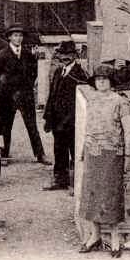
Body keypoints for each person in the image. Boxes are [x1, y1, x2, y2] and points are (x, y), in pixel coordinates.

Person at [78, 64, 130, 257]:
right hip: (93, 152)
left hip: (112, 154)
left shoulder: (120, 101)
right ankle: (95, 235)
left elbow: (129, 130)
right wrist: (84, 149)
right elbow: (88, 126)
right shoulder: (91, 100)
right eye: (98, 79)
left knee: (111, 195)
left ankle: (115, 239)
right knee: (91, 193)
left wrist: (127, 155)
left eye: (105, 79)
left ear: (111, 82)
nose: (101, 82)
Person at [0, 25, 48, 164]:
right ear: (9, 37)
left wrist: (25, 89)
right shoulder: (1, 55)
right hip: (6, 98)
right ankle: (3, 155)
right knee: (5, 126)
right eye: (15, 35)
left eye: (20, 36)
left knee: (32, 125)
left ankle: (40, 154)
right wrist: (3, 93)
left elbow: (33, 74)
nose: (18, 38)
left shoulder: (28, 54)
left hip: (25, 96)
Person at [42, 41, 88, 191]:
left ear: (75, 55)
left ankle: (77, 183)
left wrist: (68, 120)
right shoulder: (58, 72)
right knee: (59, 150)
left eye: (69, 54)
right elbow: (52, 96)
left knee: (74, 151)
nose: (65, 57)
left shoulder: (79, 75)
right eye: (63, 54)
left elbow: (79, 102)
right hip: (57, 121)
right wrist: (48, 118)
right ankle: (60, 179)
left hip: (71, 122)